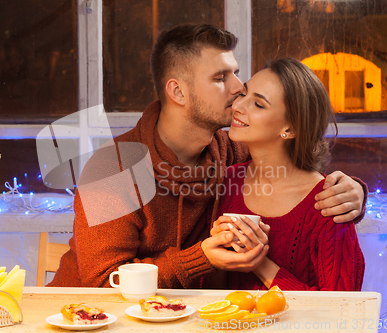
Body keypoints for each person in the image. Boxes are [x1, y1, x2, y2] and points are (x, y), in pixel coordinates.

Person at [49, 24, 366, 289]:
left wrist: (353, 191)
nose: (238, 88)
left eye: (237, 73)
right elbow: (105, 284)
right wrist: (199, 259)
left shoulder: (232, 152)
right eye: (220, 78)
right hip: (86, 316)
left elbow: (288, 164)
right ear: (178, 92)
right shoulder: (113, 169)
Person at [209, 58, 365, 291]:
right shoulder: (229, 180)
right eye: (244, 94)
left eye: (259, 104)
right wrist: (216, 254)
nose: (238, 106)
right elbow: (212, 292)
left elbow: (343, 313)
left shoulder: (329, 204)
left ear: (290, 129)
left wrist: (259, 263)